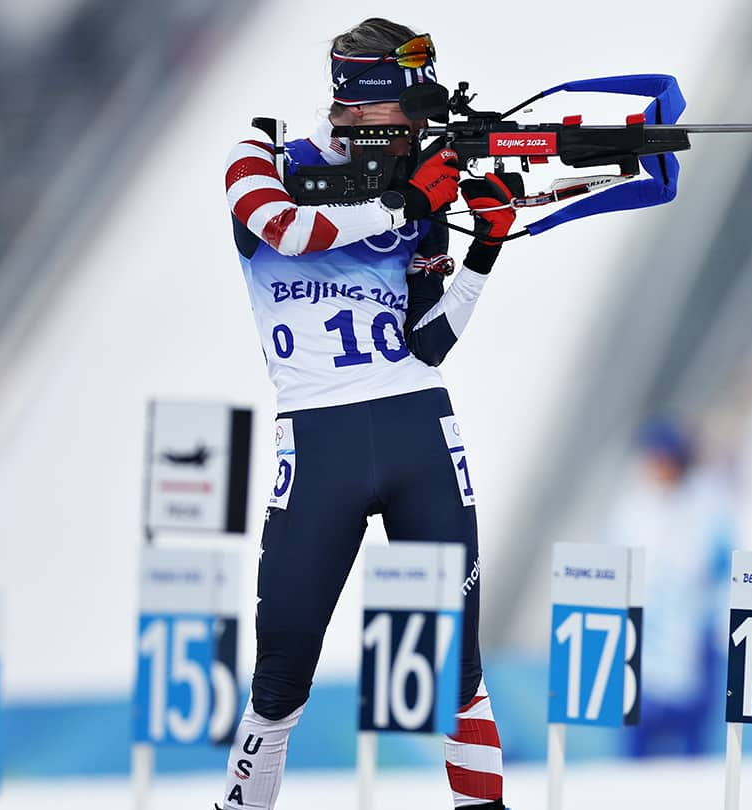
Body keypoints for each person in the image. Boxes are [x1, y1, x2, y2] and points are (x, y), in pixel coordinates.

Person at [219, 18, 520, 810]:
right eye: (402, 115)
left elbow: (430, 341)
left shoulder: (415, 183)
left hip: (417, 424)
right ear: (358, 101)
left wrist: (484, 251)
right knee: (280, 676)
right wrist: (401, 203)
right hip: (319, 440)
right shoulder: (265, 161)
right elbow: (285, 227)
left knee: (458, 669)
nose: (414, 129)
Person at [604, 419, 734, 757]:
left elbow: (726, 570)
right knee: (636, 744)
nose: (656, 466)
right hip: (640, 640)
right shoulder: (632, 507)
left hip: (693, 639)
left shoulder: (709, 506)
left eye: (663, 458)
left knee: (693, 743)